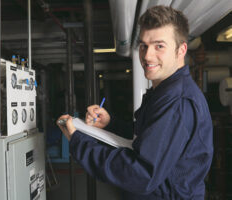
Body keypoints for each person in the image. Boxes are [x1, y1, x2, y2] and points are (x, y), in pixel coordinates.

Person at [57, 5, 213, 200]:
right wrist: (110, 124)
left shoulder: (177, 102)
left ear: (181, 49)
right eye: (143, 45)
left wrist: (79, 142)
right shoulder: (165, 91)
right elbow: (148, 139)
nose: (147, 55)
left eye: (159, 46)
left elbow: (141, 175)